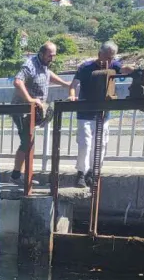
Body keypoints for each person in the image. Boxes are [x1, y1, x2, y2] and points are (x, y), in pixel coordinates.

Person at [69, 41, 134, 188]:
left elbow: (124, 69)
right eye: (106, 57)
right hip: (85, 113)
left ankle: (92, 172)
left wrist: (134, 70)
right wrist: (72, 96)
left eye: (111, 58)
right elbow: (73, 85)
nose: (108, 62)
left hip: (103, 113)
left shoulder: (114, 65)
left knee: (101, 144)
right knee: (85, 144)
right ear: (99, 54)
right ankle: (81, 173)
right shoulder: (86, 67)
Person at [10, 42, 71, 185]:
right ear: (42, 53)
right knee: (26, 142)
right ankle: (17, 176)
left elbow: (48, 75)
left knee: (28, 142)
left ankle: (21, 175)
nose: (52, 59)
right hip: (22, 110)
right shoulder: (30, 64)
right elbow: (18, 82)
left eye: (54, 56)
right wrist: (30, 99)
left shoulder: (43, 65)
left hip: (34, 111)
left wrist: (65, 84)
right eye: (50, 56)